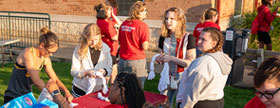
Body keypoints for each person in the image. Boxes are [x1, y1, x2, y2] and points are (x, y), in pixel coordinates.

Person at [4, 28, 73, 104]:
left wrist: (66, 91)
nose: (51, 54)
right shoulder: (28, 53)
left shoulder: (45, 59)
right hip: (13, 96)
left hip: (27, 96)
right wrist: (55, 96)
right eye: (49, 52)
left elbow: (55, 79)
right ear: (41, 45)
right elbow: (36, 80)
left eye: (54, 52)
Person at [176, 27, 233, 108]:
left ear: (214, 43)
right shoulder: (222, 59)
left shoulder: (203, 63)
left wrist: (184, 106)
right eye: (199, 38)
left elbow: (193, 90)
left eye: (203, 40)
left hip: (201, 104)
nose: (199, 41)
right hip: (218, 102)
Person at [155, 7, 196, 106]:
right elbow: (162, 55)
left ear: (180, 20)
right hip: (166, 75)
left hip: (183, 76)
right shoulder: (163, 37)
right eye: (166, 18)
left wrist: (172, 58)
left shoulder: (188, 38)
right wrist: (159, 59)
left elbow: (191, 62)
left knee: (181, 104)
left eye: (172, 19)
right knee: (163, 104)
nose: (168, 21)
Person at [70, 23, 112, 97]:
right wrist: (86, 73)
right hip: (80, 89)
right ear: (86, 38)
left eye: (96, 39)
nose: (93, 43)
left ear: (100, 37)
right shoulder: (79, 49)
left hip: (98, 90)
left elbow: (109, 69)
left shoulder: (105, 49)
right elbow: (73, 71)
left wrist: (104, 72)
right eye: (90, 40)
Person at [118, 1, 149, 88]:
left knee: (123, 87)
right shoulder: (143, 26)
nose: (146, 13)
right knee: (137, 89)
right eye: (144, 10)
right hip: (136, 61)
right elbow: (145, 47)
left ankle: (123, 102)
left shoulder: (124, 24)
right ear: (138, 12)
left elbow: (120, 41)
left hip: (123, 60)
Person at [95, 2, 121, 85]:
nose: (111, 11)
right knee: (110, 71)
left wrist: (113, 15)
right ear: (104, 11)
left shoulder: (105, 21)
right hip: (110, 50)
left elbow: (120, 24)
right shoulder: (105, 23)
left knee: (112, 70)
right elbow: (114, 37)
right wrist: (117, 31)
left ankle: (108, 87)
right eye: (110, 10)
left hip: (112, 49)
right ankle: (108, 87)